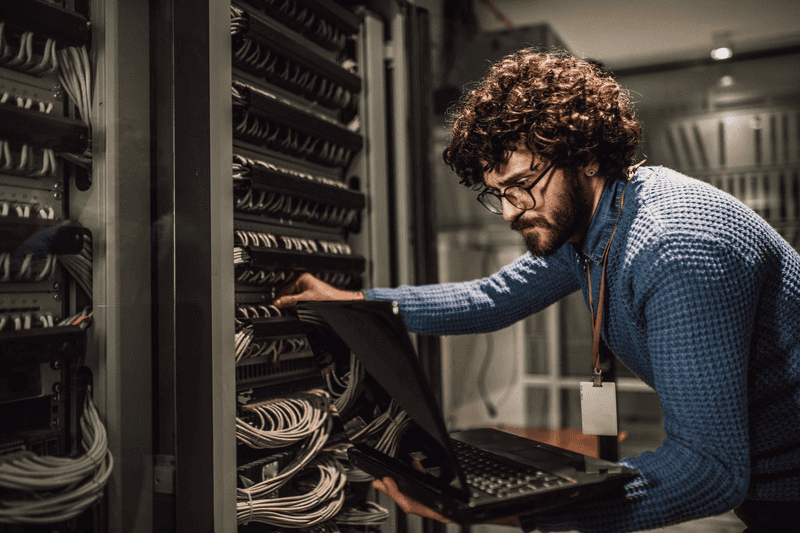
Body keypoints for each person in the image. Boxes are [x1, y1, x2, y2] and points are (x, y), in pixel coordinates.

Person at [274, 49, 799, 532]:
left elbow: (708, 470)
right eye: (496, 192)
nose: (508, 211)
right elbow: (492, 297)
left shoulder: (672, 245)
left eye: (523, 184)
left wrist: (522, 507)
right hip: (769, 485)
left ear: (586, 155)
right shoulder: (595, 227)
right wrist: (354, 304)